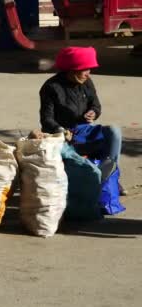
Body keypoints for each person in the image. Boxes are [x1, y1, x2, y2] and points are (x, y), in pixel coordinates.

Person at [39, 46, 127, 195]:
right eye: (84, 70)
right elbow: (46, 119)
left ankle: (110, 179)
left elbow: (95, 104)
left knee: (114, 132)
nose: (88, 74)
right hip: (62, 136)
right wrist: (61, 130)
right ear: (72, 70)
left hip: (84, 131)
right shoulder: (51, 87)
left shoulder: (87, 83)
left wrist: (94, 112)